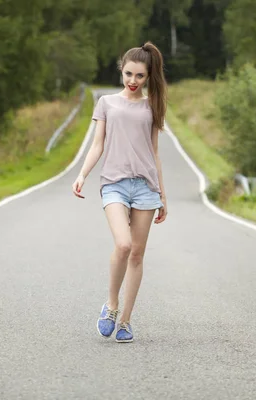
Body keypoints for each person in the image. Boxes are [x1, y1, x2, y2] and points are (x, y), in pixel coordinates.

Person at [71, 42, 168, 343]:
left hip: (145, 187)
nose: (133, 81)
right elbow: (98, 144)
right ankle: (111, 305)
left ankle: (125, 321)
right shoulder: (107, 104)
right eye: (128, 73)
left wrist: (163, 196)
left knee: (137, 255)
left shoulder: (152, 106)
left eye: (140, 76)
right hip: (113, 182)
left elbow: (154, 151)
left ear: (149, 76)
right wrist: (82, 174)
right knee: (123, 245)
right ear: (121, 70)